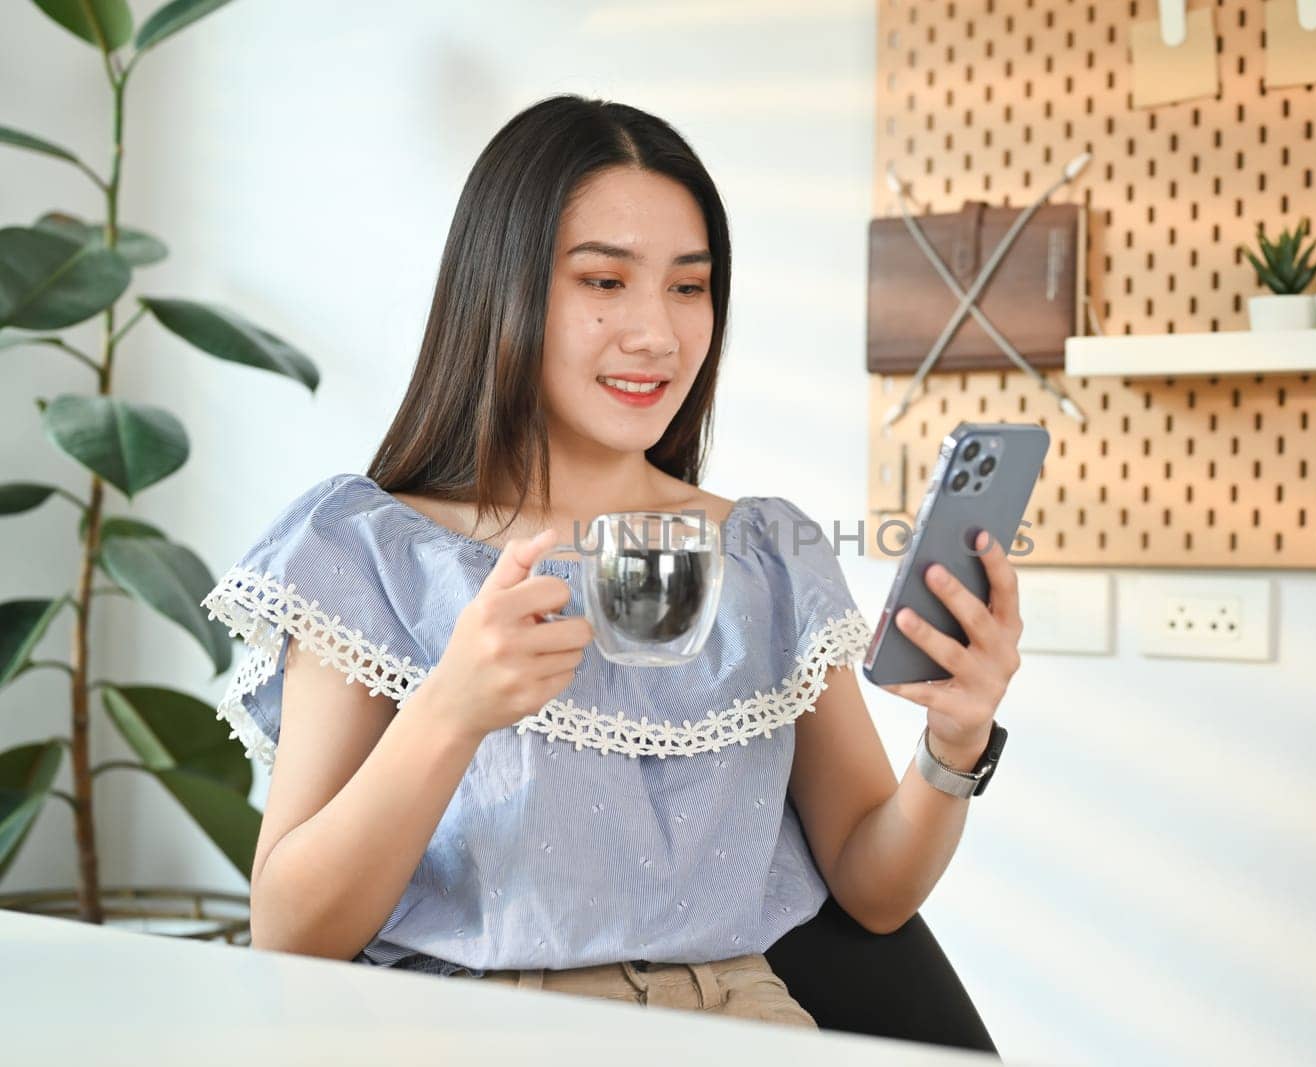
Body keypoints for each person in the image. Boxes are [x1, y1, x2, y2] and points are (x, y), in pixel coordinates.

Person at [198, 94, 1024, 1032]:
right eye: (604, 282)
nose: (656, 335)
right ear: (502, 288)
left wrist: (954, 745)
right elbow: (289, 933)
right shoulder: (372, 551)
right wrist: (452, 709)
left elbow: (873, 891)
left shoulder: (765, 553)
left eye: (687, 286)